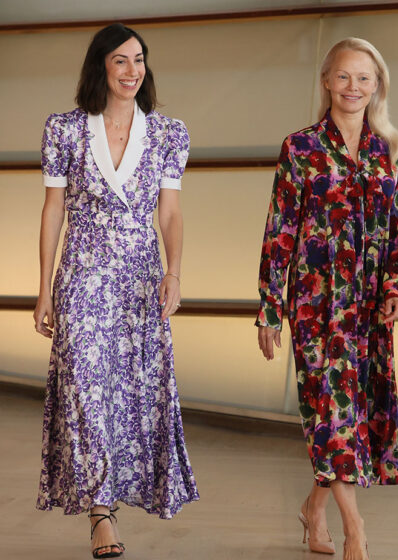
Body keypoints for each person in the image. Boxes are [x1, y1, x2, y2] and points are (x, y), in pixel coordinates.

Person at [33, 23, 199, 559]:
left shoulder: (170, 133)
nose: (133, 71)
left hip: (138, 276)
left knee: (130, 391)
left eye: (140, 60)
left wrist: (173, 272)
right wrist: (43, 290)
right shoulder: (63, 129)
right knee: (84, 384)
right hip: (81, 272)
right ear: (100, 66)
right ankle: (100, 508)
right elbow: (53, 210)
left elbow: (169, 211)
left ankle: (122, 490)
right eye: (121, 61)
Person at [256, 37, 398, 560]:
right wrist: (269, 309)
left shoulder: (393, 152)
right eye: (344, 76)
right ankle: (355, 528)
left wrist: (396, 287)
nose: (353, 87)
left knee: (352, 416)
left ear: (378, 86)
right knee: (330, 411)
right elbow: (280, 232)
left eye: (364, 78)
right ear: (326, 81)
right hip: (314, 306)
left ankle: (313, 509)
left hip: (369, 309)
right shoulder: (300, 148)